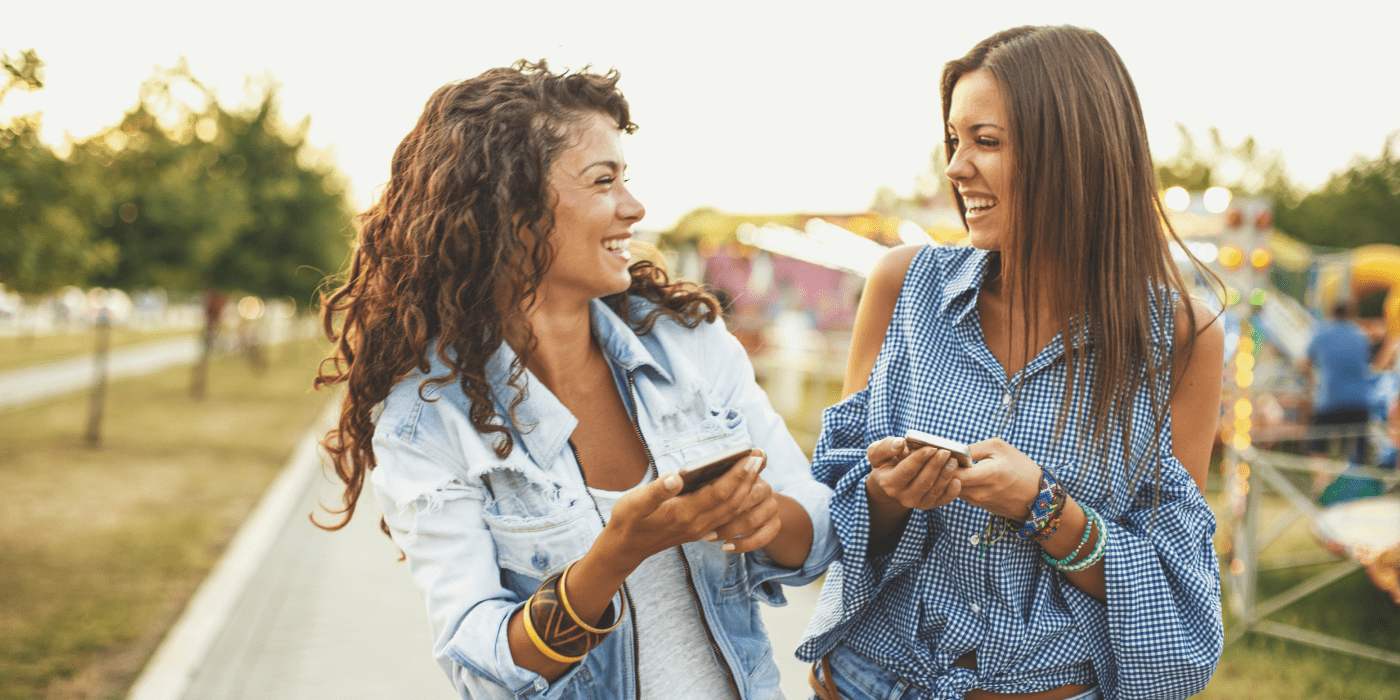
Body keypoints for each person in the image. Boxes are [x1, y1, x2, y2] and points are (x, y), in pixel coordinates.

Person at [313, 61, 837, 700]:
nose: (634, 206)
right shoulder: (426, 419)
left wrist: (762, 519)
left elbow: (815, 528)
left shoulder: (688, 343)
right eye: (603, 181)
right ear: (512, 209)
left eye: (626, 178)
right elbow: (481, 663)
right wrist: (613, 557)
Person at [795, 26, 1225, 700]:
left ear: (1074, 154)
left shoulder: (1178, 336)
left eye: (985, 141)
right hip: (862, 680)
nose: (956, 167)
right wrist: (889, 494)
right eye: (954, 140)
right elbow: (833, 514)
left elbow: (1168, 591)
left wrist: (1044, 507)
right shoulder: (902, 286)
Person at [1301, 302, 1375, 464]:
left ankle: (1321, 484)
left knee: (1318, 449)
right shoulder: (1361, 337)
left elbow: (1304, 364)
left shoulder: (1321, 334)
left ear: (1332, 313)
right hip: (1359, 402)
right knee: (1356, 453)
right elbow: (1368, 364)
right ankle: (1350, 483)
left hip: (1329, 400)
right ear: (1351, 315)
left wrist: (1311, 386)